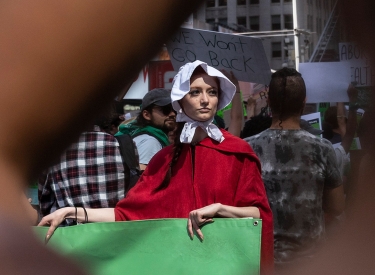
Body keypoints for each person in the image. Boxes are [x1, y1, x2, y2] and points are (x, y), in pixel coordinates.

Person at [0, 1, 203, 274]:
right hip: (118, 250)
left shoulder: (53, 155)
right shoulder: (124, 145)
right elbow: (132, 202)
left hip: (66, 245)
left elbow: (45, 208)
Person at [39, 60, 274, 275]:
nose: (205, 100)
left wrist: (220, 209)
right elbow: (126, 214)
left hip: (225, 266)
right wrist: (73, 212)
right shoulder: (163, 160)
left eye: (212, 92)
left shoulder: (238, 153)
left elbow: (259, 215)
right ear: (180, 99)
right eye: (195, 92)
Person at [245, 68, 345, 272]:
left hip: (261, 262)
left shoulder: (247, 148)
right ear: (303, 102)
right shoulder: (322, 148)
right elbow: (337, 207)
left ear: (269, 102)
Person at [38, 122, 129, 226]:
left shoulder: (51, 152)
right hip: (120, 232)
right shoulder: (124, 145)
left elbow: (45, 204)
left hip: (71, 236)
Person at [116, 88, 176, 170]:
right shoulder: (150, 142)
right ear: (147, 115)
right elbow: (142, 178)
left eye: (175, 109)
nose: (172, 114)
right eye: (165, 110)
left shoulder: (145, 135)